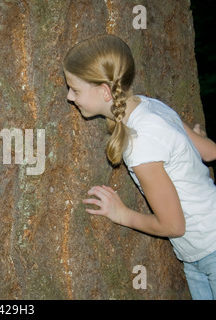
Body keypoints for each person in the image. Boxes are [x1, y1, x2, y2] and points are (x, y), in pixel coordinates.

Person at [63, 34, 216, 299]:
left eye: (75, 89)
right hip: (199, 256)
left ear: (105, 91)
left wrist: (122, 214)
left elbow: (173, 226)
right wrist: (191, 142)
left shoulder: (140, 143)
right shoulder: (149, 105)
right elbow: (210, 152)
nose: (69, 96)